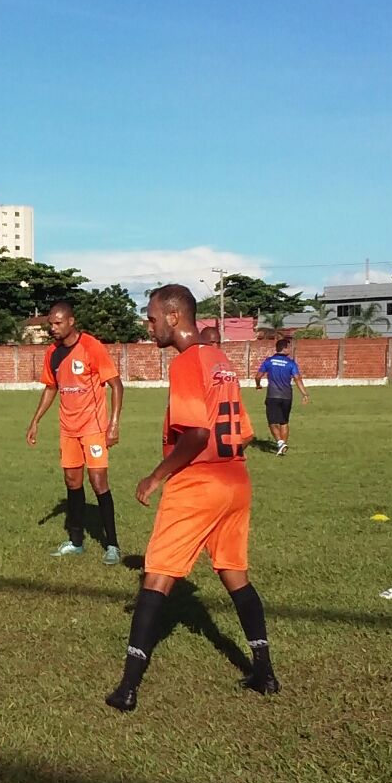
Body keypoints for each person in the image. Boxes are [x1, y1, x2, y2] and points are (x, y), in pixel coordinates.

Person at [106, 284, 280, 713]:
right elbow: (244, 432)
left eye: (152, 318)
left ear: (173, 317)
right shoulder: (220, 360)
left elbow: (197, 433)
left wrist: (156, 475)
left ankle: (127, 688)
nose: (148, 326)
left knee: (157, 576)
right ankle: (264, 671)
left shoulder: (186, 362)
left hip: (198, 483)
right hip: (235, 478)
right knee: (234, 574)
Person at [26, 301, 124, 564]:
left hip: (93, 427)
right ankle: (76, 542)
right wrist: (35, 421)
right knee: (72, 482)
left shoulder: (92, 346)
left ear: (71, 321)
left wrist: (114, 424)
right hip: (68, 429)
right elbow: (50, 388)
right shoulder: (52, 353)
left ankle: (112, 545)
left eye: (58, 323)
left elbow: (116, 385)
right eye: (50, 324)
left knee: (98, 481)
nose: (53, 328)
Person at [254, 337, 309, 456]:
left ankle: (280, 443)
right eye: (288, 347)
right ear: (284, 348)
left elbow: (258, 376)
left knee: (272, 422)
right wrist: (304, 394)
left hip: (273, 396)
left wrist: (258, 385)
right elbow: (297, 378)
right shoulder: (291, 363)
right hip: (287, 396)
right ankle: (283, 446)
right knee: (284, 422)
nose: (290, 349)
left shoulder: (269, 361)